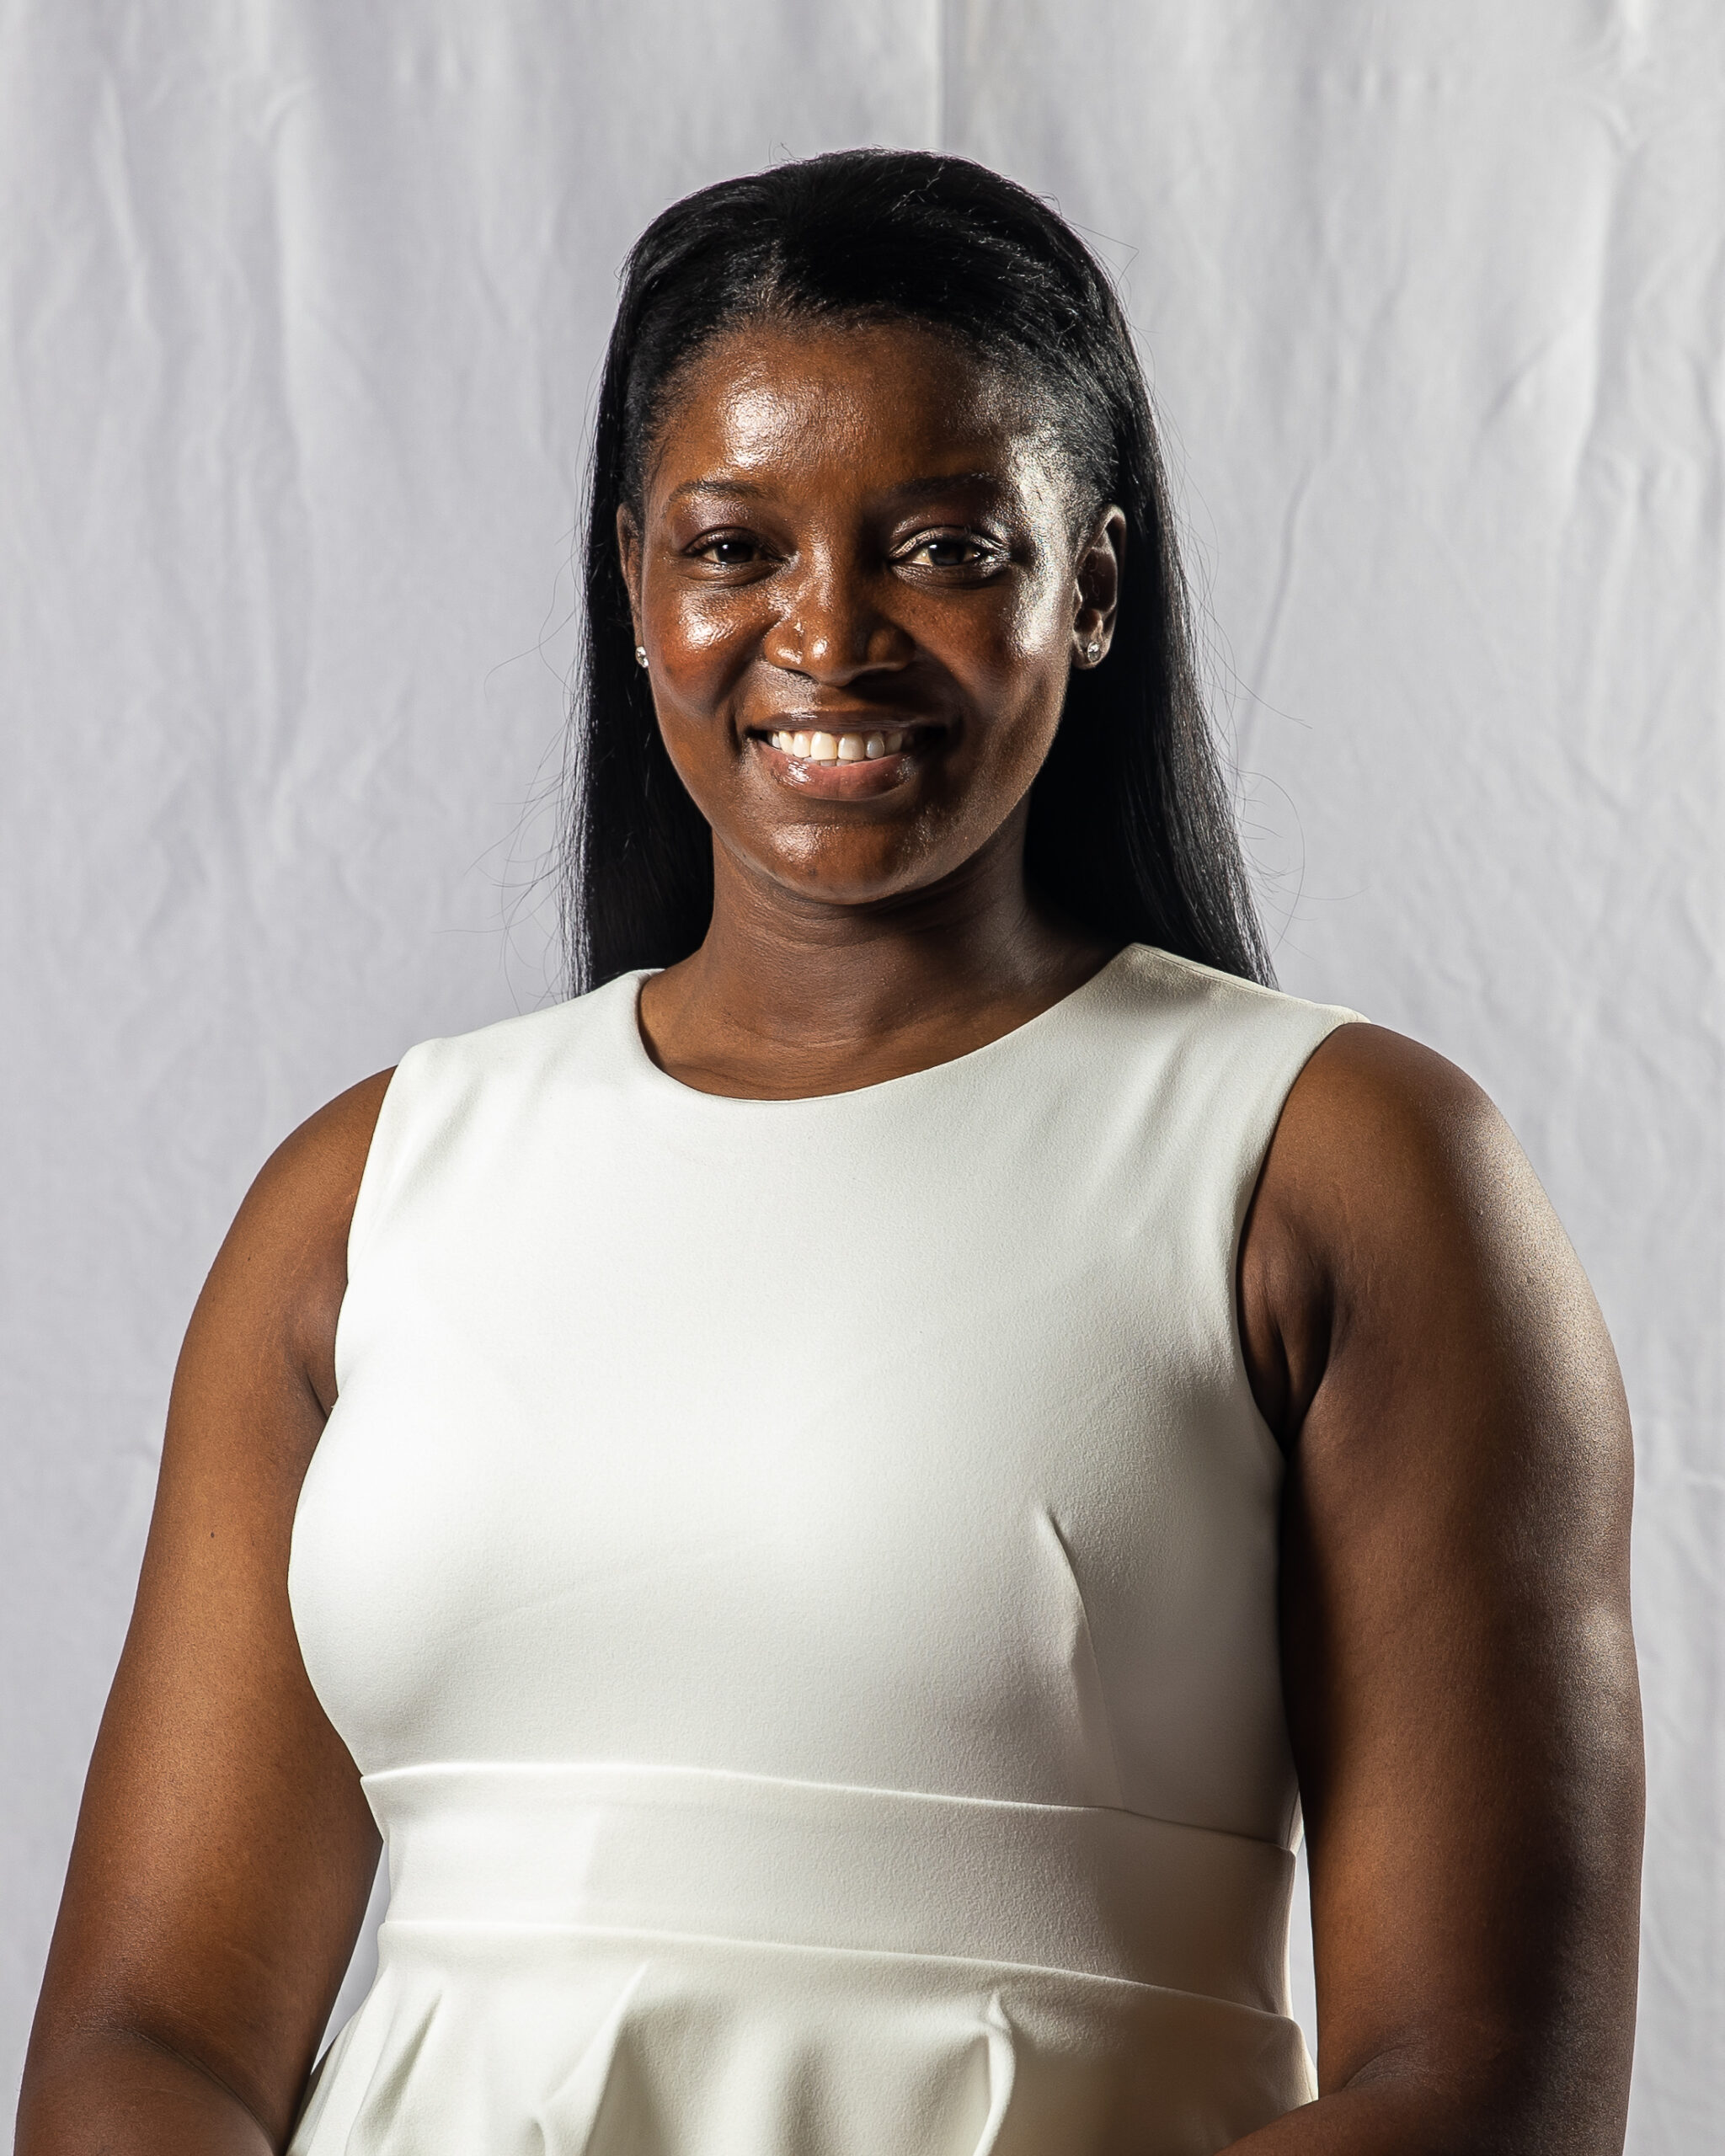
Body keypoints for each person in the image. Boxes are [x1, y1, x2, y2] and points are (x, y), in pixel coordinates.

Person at [18, 150, 1642, 2156]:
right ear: (635, 584)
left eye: (947, 548)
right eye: (733, 545)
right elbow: (143, 2039)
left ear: (1095, 586)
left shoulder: (1340, 1166)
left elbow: (1483, 2086)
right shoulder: (369, 1191)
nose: (827, 633)